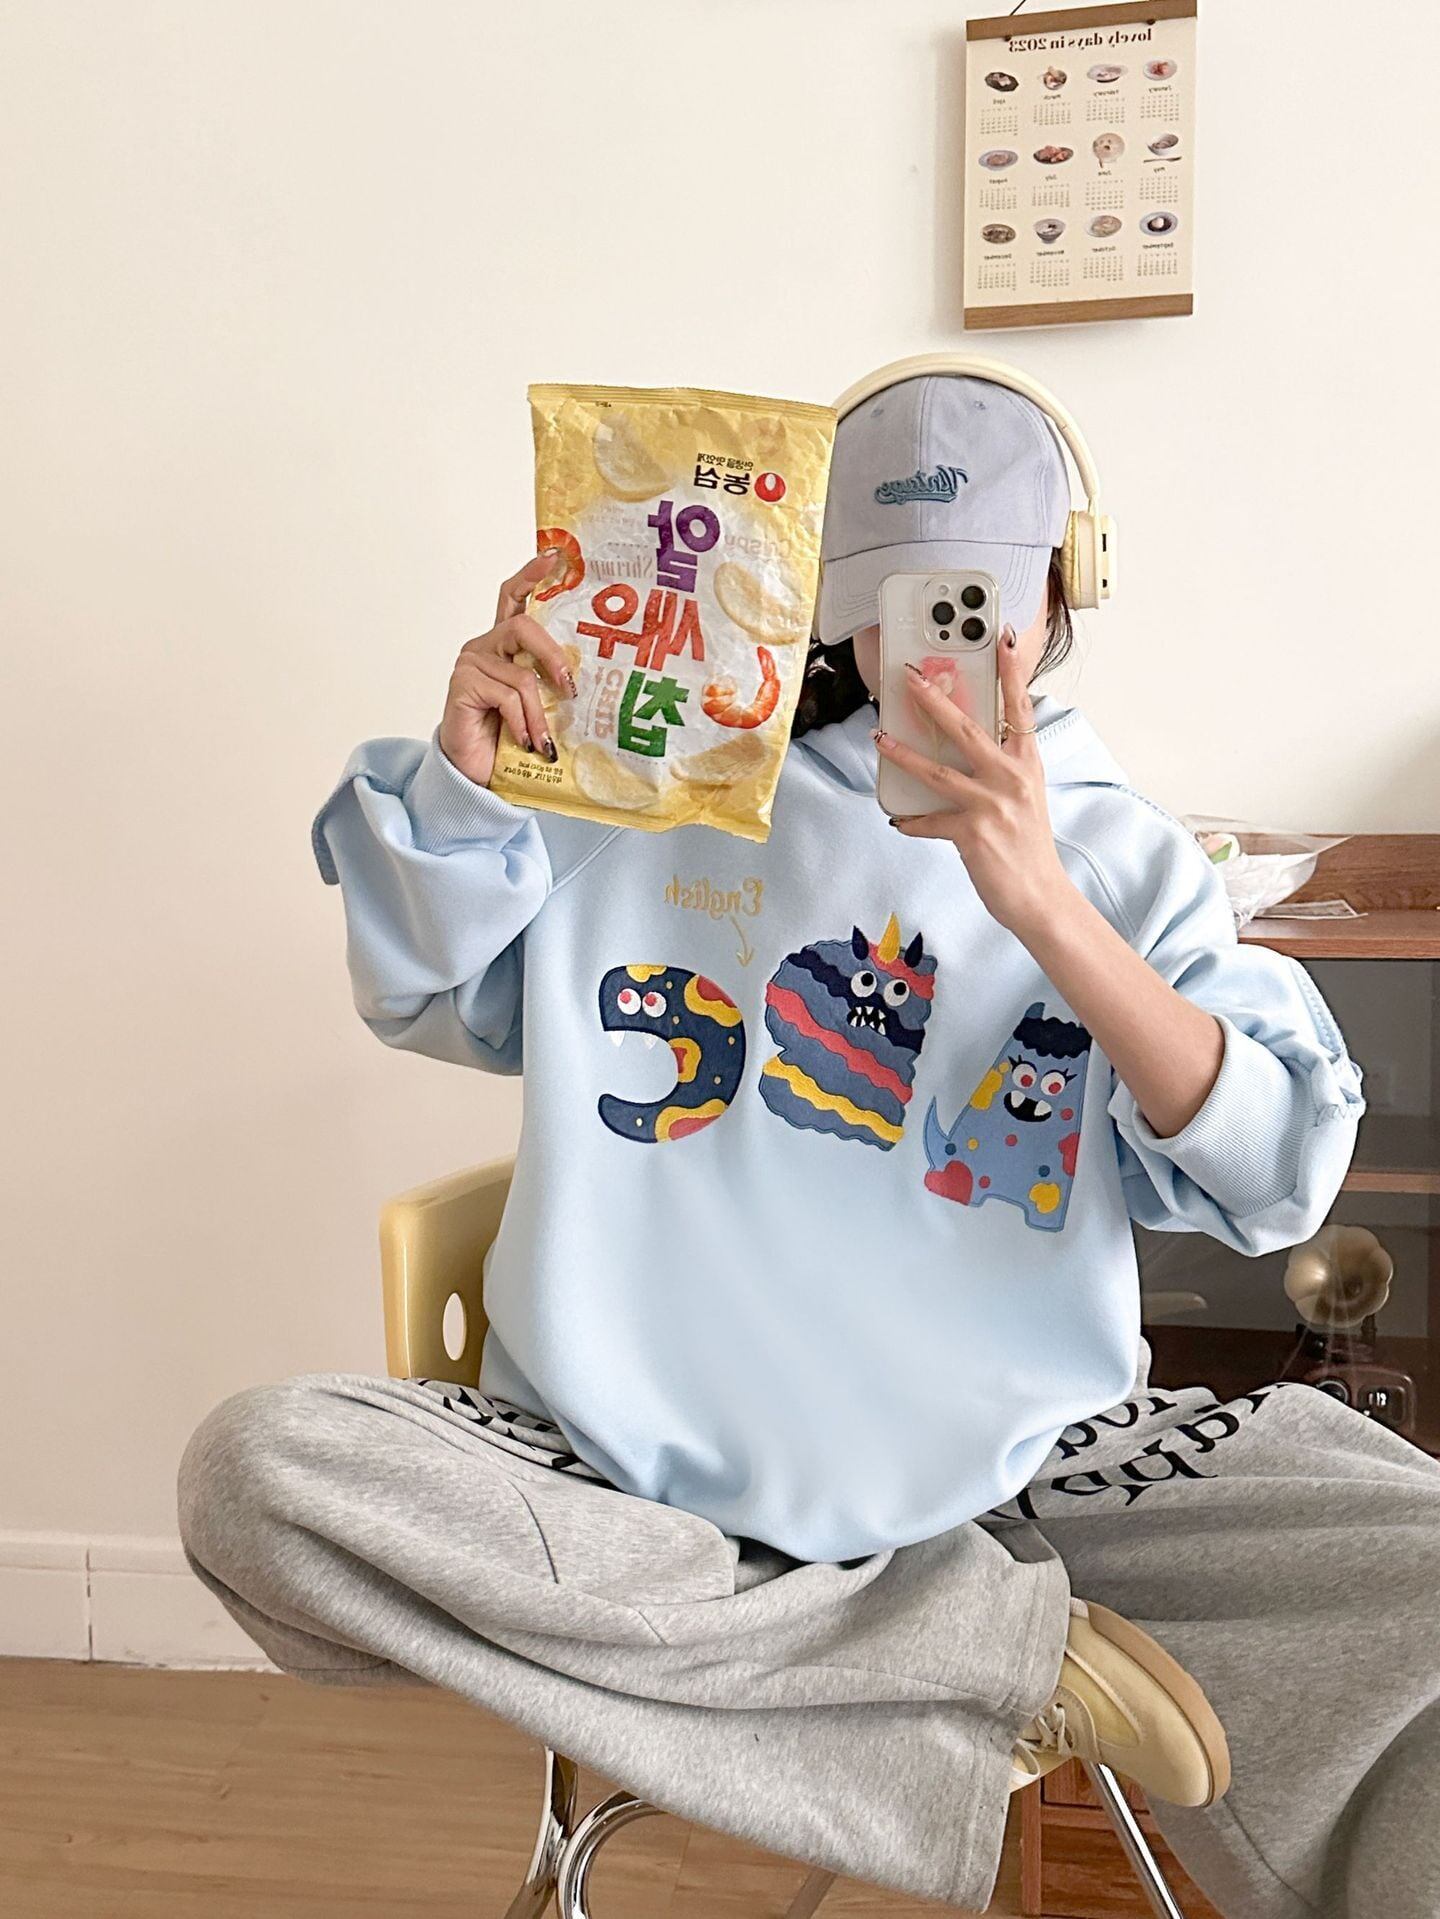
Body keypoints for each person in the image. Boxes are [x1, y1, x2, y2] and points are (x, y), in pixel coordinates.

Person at [178, 367, 1440, 1919]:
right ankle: (985, 1664)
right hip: (633, 1485)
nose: (931, 644)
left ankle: (913, 1653)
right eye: (890, 598)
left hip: (1024, 1477)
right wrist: (474, 780)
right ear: (819, 600)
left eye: (977, 597)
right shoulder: (652, 782)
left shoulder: (1127, 859)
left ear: (1062, 592)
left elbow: (1278, 1176)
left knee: (1422, 1567)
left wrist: (1044, 904)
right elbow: (424, 986)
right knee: (258, 1475)